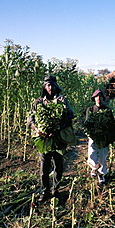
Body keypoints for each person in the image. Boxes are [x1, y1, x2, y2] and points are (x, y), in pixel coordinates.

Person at [28, 75, 75, 203]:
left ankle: (56, 190)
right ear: (44, 87)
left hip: (58, 138)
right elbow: (30, 119)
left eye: (52, 85)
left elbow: (70, 116)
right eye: (48, 85)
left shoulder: (62, 100)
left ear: (56, 86)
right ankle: (44, 191)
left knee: (58, 166)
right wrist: (38, 130)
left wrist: (58, 128)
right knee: (44, 167)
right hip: (43, 139)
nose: (50, 87)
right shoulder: (38, 102)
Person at [84, 89, 115, 184]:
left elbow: (111, 124)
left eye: (100, 97)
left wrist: (109, 134)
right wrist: (92, 132)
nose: (99, 99)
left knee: (103, 155)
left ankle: (101, 174)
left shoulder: (107, 110)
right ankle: (95, 167)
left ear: (103, 98)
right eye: (97, 97)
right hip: (93, 136)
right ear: (94, 99)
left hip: (104, 136)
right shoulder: (90, 110)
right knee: (92, 154)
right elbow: (87, 123)